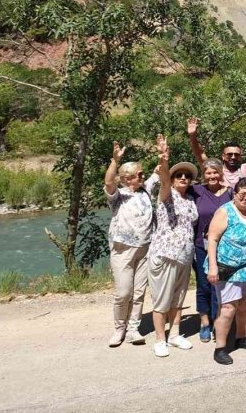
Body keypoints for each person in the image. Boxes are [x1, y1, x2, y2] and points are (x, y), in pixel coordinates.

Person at [103, 141, 158, 347]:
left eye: (143, 174)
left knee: (138, 292)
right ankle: (119, 329)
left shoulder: (145, 190)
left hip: (145, 248)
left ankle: (134, 328)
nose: (143, 177)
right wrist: (115, 160)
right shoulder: (119, 196)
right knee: (123, 292)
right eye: (139, 174)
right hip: (122, 249)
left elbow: (159, 171)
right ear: (127, 179)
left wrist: (162, 154)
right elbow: (109, 182)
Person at [149, 135, 199, 358]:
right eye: (179, 175)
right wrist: (164, 158)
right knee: (162, 298)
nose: (183, 178)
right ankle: (160, 339)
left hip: (185, 256)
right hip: (165, 254)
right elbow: (165, 181)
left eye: (187, 176)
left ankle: (175, 334)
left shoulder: (189, 200)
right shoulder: (166, 195)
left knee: (178, 297)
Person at [205, 178, 246, 365]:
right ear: (235, 193)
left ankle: (242, 337)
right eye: (242, 194)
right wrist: (213, 267)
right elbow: (212, 239)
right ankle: (220, 348)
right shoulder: (225, 211)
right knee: (228, 307)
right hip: (228, 268)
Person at [190, 158, 231, 342]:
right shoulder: (197, 191)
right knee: (204, 284)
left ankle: (218, 321)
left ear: (221, 173)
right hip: (201, 245)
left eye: (215, 172)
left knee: (220, 285)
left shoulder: (229, 193)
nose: (212, 176)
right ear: (203, 175)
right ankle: (205, 321)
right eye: (208, 173)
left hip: (224, 247)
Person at [187, 117, 246, 189]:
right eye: (229, 154)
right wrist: (192, 136)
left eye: (236, 154)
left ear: (240, 157)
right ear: (223, 156)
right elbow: (200, 154)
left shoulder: (245, 169)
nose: (233, 157)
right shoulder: (215, 170)